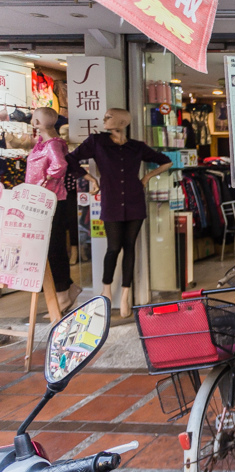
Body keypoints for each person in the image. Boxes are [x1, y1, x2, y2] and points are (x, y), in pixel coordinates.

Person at [67, 108, 171, 318]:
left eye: (109, 116)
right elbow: (70, 160)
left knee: (130, 247)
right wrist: (91, 179)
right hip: (111, 201)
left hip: (134, 201)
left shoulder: (136, 147)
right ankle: (106, 290)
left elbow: (166, 161)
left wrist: (147, 177)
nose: (104, 119)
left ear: (123, 122)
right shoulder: (97, 142)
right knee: (113, 247)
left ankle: (125, 294)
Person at [26, 106, 81, 312]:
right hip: (41, 200)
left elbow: (59, 165)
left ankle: (63, 293)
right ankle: (67, 288)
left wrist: (45, 179)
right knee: (49, 247)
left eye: (34, 118)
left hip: (52, 201)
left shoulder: (51, 145)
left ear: (37, 122)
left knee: (54, 248)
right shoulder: (42, 144)